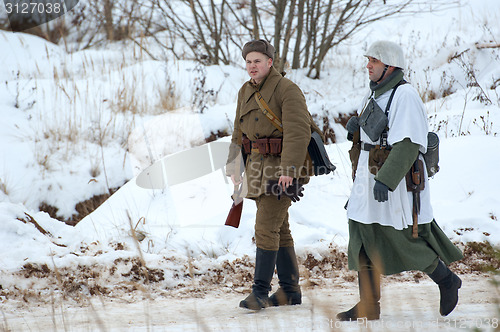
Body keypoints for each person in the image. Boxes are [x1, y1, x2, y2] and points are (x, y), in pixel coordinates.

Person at [338, 40, 464, 321]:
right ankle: (369, 304)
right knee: (361, 233)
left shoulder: (404, 95)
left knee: (402, 237)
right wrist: (355, 129)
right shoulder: (373, 94)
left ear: (390, 66)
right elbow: (373, 134)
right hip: (367, 177)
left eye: (374, 60)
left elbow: (408, 144)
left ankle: (447, 280)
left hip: (391, 180)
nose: (368, 65)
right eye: (368, 59)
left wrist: (386, 180)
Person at [225, 39, 322, 310]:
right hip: (257, 167)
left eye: (257, 61)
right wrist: (235, 167)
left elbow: (298, 132)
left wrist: (289, 170)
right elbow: (238, 132)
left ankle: (259, 292)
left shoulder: (287, 89)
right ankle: (290, 290)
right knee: (280, 228)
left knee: (265, 228)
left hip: (283, 169)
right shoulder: (245, 91)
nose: (252, 66)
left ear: (270, 62)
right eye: (248, 61)